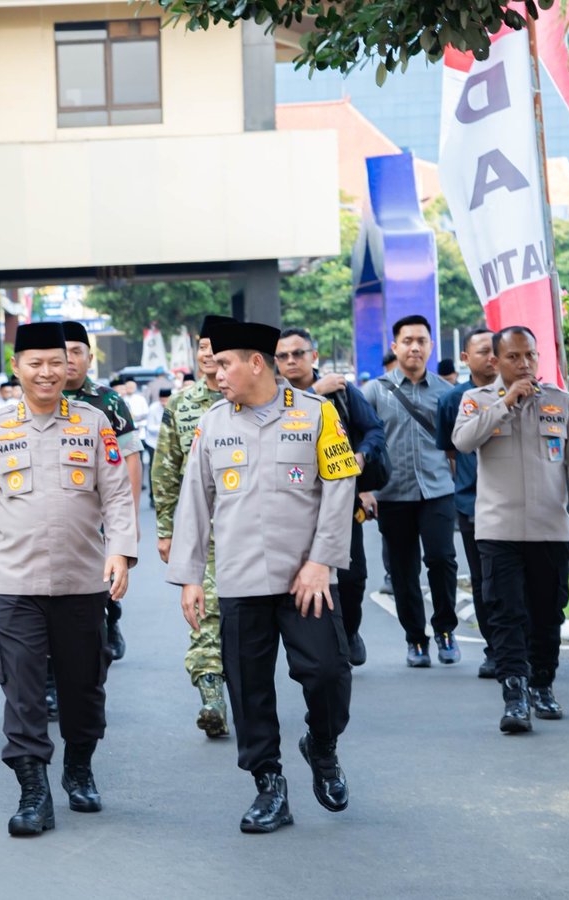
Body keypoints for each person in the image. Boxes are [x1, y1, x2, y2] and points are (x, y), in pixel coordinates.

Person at [167, 318, 360, 834]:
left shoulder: (317, 415)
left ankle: (321, 744)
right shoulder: (212, 424)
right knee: (249, 690)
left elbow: (341, 486)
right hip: (240, 580)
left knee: (326, 673)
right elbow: (195, 500)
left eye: (224, 362)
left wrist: (322, 561)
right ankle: (269, 786)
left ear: (257, 362)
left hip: (307, 580)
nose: (215, 371)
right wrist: (189, 578)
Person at [0, 321, 137, 837]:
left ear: (70, 365)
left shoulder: (95, 424)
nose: (47, 372)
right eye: (35, 363)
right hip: (14, 586)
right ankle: (34, 792)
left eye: (56, 362)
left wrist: (121, 550)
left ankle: (79, 766)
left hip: (81, 583)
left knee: (83, 690)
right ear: (17, 368)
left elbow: (118, 495)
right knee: (23, 693)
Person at [452, 326, 569, 731]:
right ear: (496, 361)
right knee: (506, 614)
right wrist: (506, 402)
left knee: (546, 614)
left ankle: (542, 684)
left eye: (530, 355)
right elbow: (463, 441)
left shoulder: (559, 402)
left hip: (549, 529)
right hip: (497, 530)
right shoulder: (476, 401)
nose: (524, 363)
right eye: (514, 357)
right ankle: (514, 695)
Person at [274, 328, 386, 667]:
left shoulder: (342, 390)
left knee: (352, 578)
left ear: (314, 356)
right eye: (283, 356)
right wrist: (311, 393)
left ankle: (349, 632)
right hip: (290, 504)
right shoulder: (270, 397)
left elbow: (374, 429)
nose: (291, 360)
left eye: (299, 353)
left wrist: (362, 459)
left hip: (342, 499)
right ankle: (319, 649)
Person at [362, 315, 460, 667]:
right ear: (395, 347)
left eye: (421, 340)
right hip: (392, 495)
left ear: (431, 347)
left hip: (437, 491)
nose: (414, 347)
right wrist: (364, 490)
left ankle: (446, 631)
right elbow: (359, 440)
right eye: (407, 341)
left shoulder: (446, 394)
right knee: (403, 572)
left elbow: (457, 446)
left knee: (442, 561)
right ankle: (415, 639)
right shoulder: (374, 391)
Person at [152, 317, 231, 739]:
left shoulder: (255, 399)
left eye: (215, 347)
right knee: (206, 612)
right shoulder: (181, 406)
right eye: (202, 347)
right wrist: (166, 529)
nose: (207, 355)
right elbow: (166, 472)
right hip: (202, 532)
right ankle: (212, 696)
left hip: (253, 531)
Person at [62, 321, 140, 661]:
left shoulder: (109, 401)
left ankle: (112, 619)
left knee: (107, 580)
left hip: (103, 508)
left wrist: (129, 518)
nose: (68, 360)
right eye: (61, 353)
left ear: (89, 358)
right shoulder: (41, 398)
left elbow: (130, 459)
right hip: (65, 510)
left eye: (76, 352)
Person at [435, 328, 498, 678]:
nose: (491, 357)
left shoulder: (517, 393)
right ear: (465, 358)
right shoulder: (452, 400)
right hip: (472, 503)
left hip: (516, 504)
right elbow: (451, 450)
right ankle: (494, 648)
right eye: (483, 350)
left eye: (495, 350)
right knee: (483, 579)